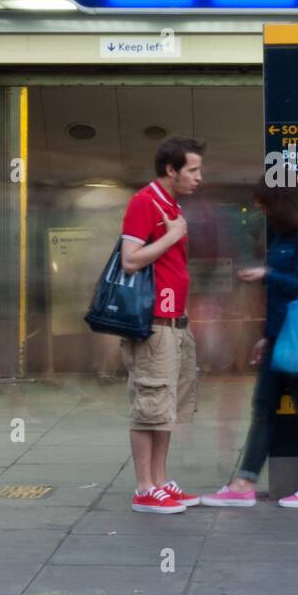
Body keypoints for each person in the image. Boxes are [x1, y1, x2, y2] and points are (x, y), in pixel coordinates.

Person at [202, 175, 298, 509]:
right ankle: (244, 482)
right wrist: (266, 337)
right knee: (263, 409)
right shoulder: (284, 234)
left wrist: (266, 274)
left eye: (266, 205)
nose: (263, 212)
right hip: (279, 336)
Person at [119, 136, 204, 514]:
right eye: (193, 169)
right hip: (153, 323)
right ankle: (143, 488)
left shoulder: (169, 203)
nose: (199, 177)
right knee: (149, 403)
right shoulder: (144, 202)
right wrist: (172, 235)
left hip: (175, 322)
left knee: (165, 407)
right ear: (171, 170)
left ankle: (159, 481)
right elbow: (130, 260)